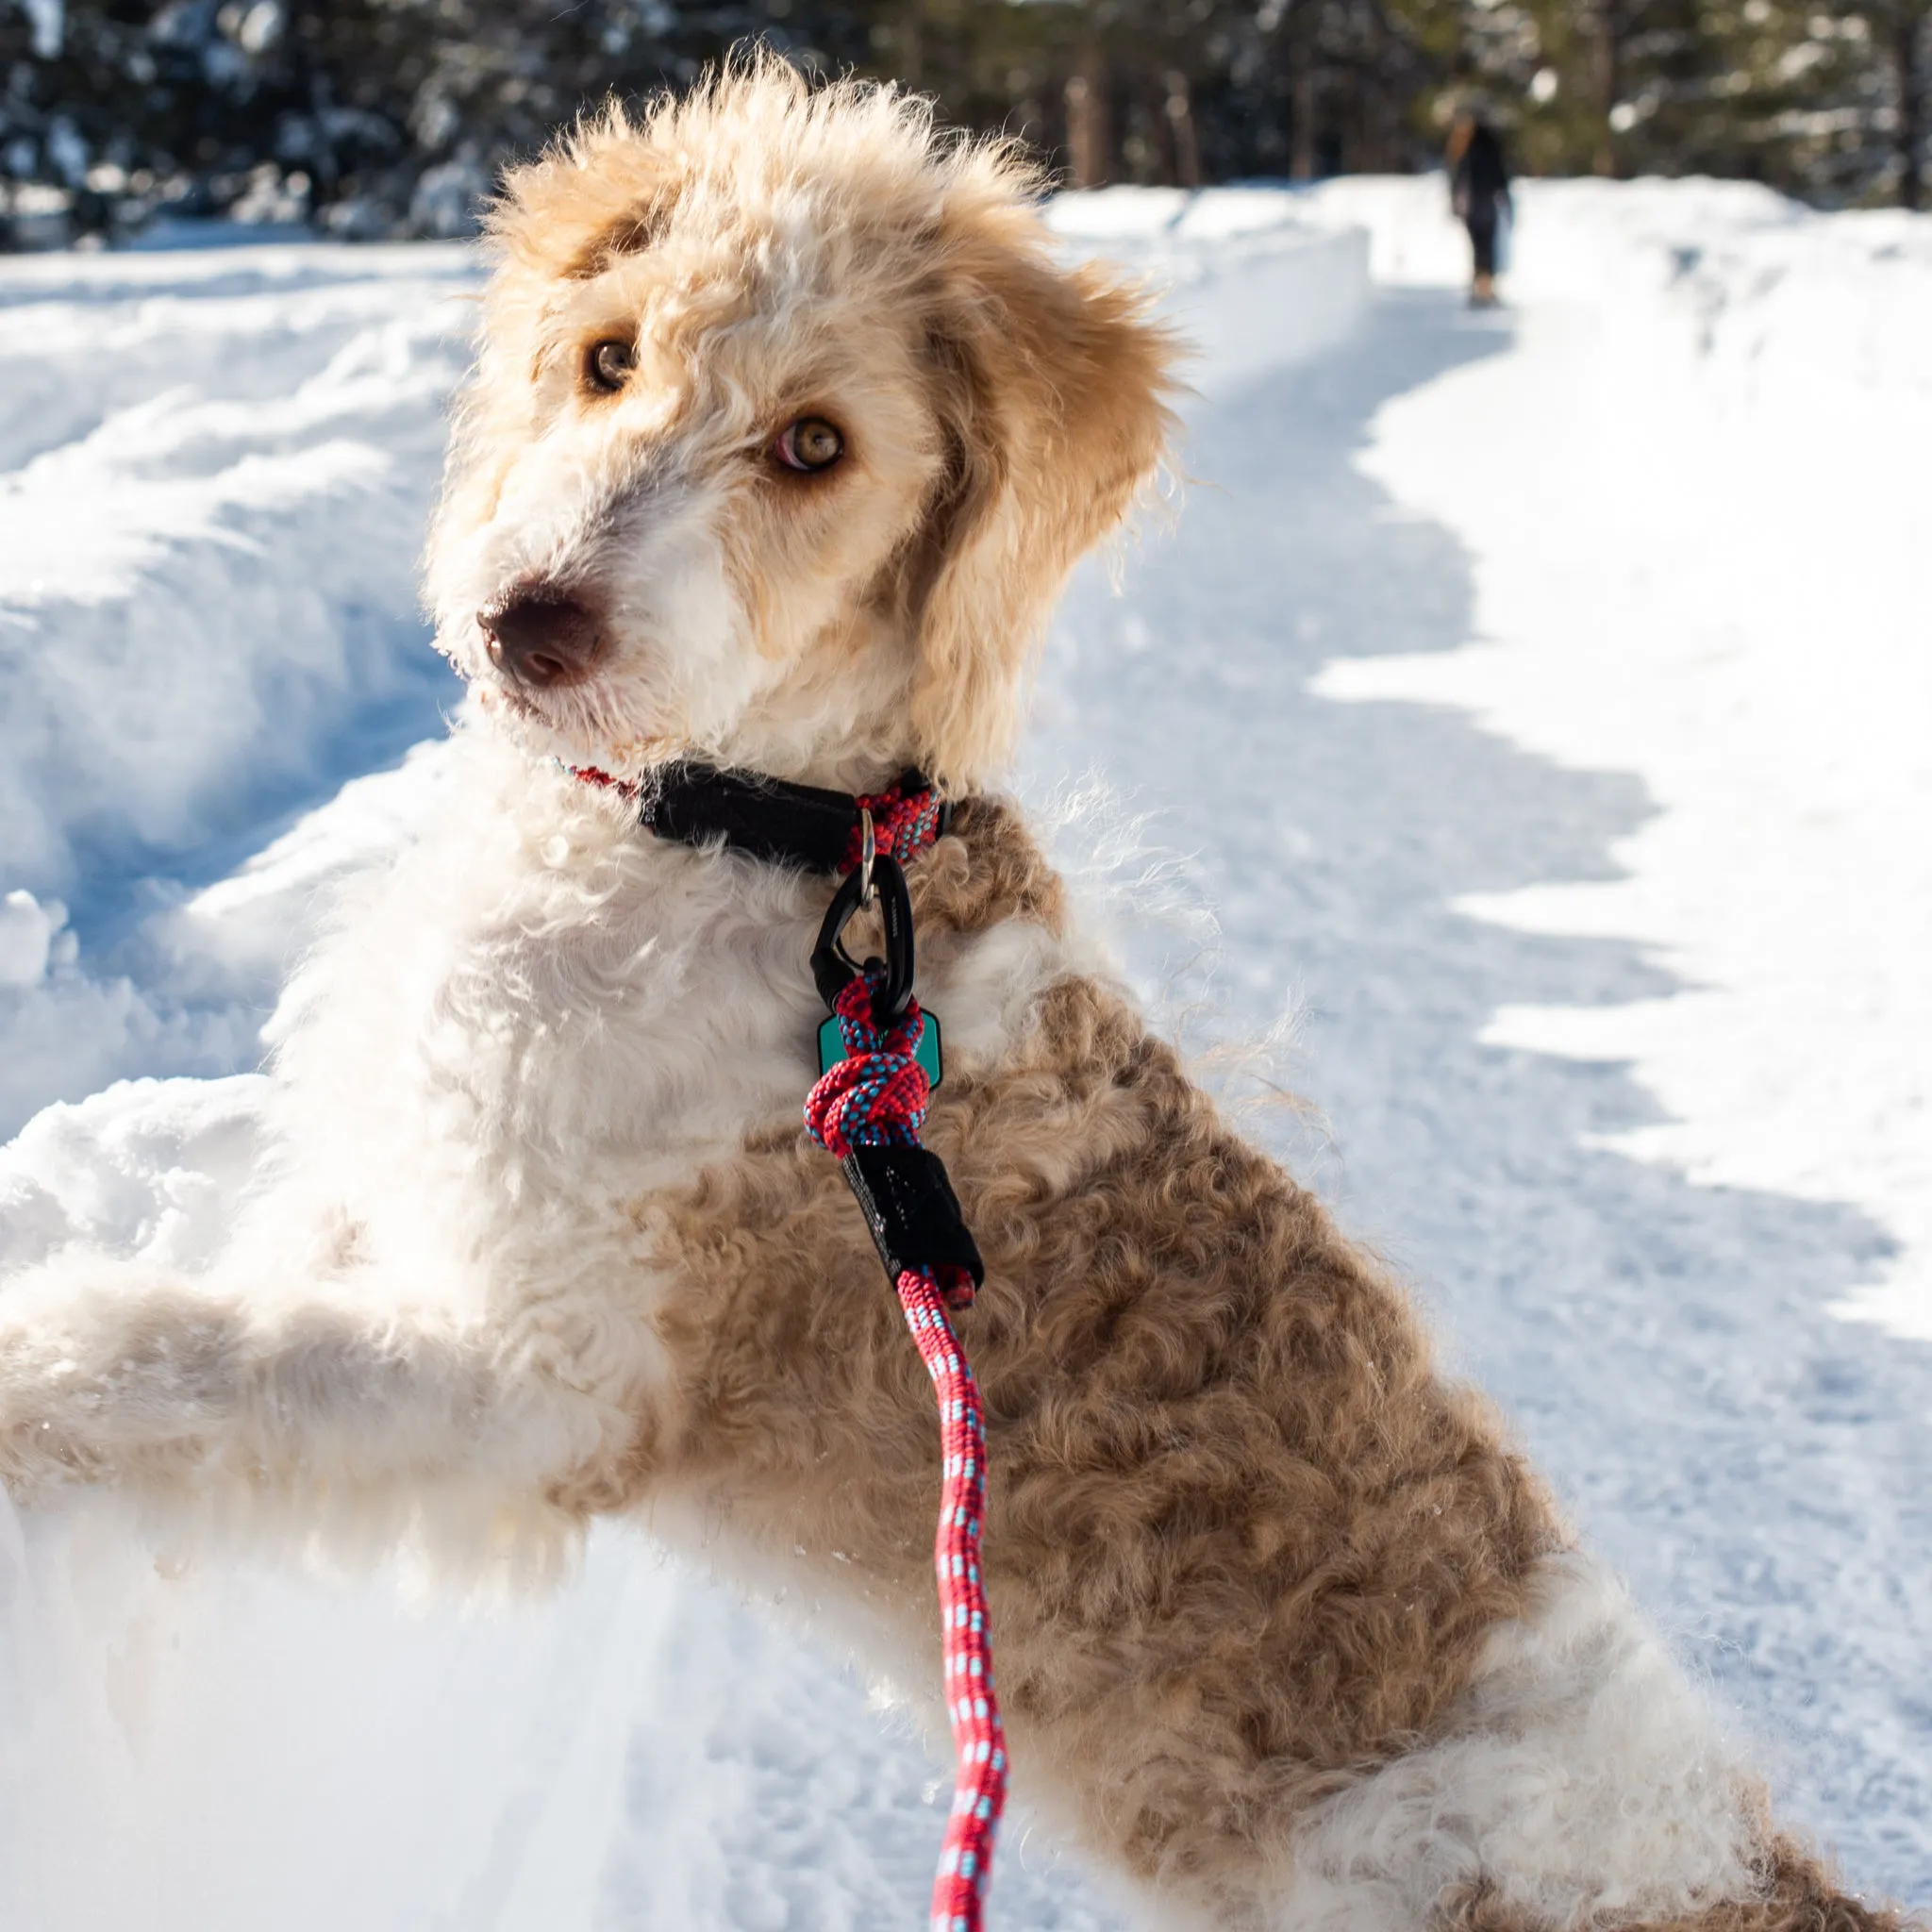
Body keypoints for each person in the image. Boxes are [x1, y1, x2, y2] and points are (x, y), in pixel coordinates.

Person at [1447, 108, 1511, 308]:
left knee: (1477, 247)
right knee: (1487, 247)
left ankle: (1479, 289)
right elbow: (1501, 178)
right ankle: (1486, 289)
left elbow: (1457, 180)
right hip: (1488, 204)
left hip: (1472, 206)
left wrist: (1455, 204)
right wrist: (1505, 200)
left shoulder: (1462, 148)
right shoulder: (1491, 148)